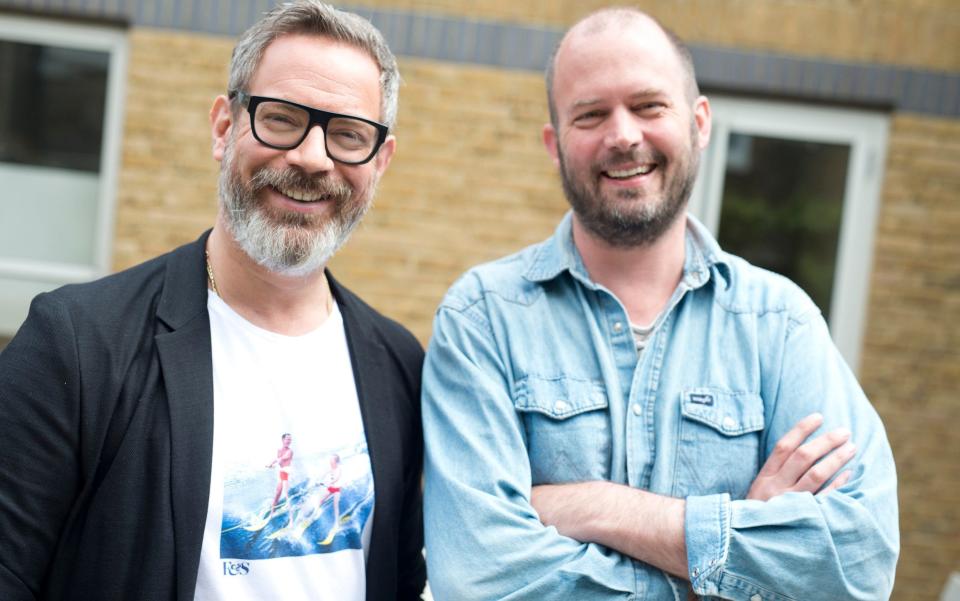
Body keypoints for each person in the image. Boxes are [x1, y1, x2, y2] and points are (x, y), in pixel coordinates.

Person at [421, 8, 898, 600]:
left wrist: (600, 508)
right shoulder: (483, 319)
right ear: (554, 144)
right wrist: (730, 561)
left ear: (699, 122)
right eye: (591, 114)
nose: (623, 136)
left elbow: (859, 563)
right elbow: (479, 577)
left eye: (649, 106)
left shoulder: (779, 324)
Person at [0, 2, 425, 600]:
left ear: (380, 162)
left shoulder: (398, 364)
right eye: (281, 119)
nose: (311, 156)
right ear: (225, 128)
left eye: (348, 135)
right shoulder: (76, 344)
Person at [265, 433, 295, 525]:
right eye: (287, 439)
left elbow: (282, 458)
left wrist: (272, 463)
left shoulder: (290, 451)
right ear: (283, 440)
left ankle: (291, 520)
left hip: (286, 472)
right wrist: (271, 464)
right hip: (281, 472)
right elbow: (278, 460)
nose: (289, 441)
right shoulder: (279, 450)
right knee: (278, 492)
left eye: (290, 439)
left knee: (286, 495)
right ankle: (272, 512)